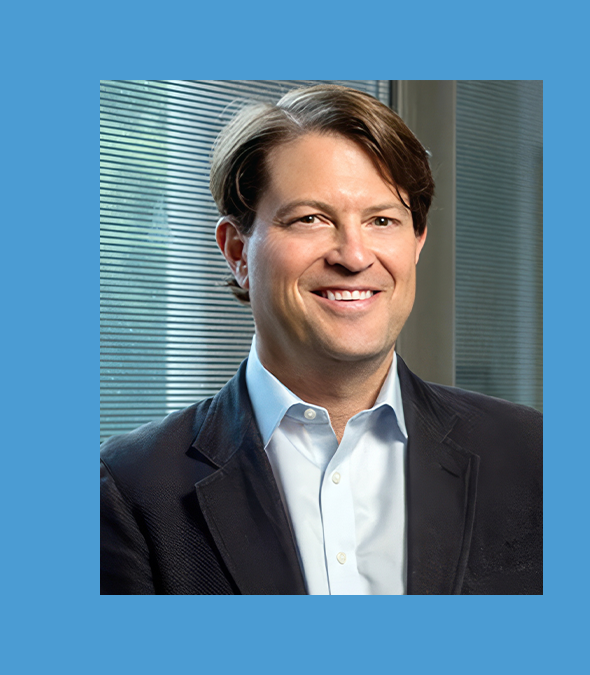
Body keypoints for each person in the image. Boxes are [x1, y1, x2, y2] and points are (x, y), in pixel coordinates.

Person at [100, 85, 542, 595]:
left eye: (382, 220)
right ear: (238, 251)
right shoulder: (130, 490)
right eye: (311, 219)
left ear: (417, 243)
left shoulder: (535, 458)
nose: (353, 256)